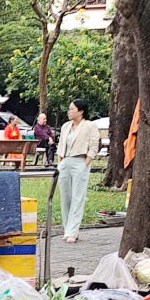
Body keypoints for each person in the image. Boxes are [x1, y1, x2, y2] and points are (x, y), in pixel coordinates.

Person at [56, 98, 99, 243]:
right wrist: (60, 161)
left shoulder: (89, 126)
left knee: (77, 197)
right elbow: (61, 145)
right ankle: (66, 228)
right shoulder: (65, 126)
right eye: (69, 109)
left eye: (72, 109)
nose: (69, 112)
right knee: (65, 197)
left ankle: (73, 231)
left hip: (80, 161)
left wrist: (86, 162)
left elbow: (94, 146)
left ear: (80, 111)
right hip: (65, 161)